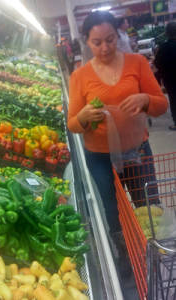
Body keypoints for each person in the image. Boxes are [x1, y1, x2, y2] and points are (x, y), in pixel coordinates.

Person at [68, 11, 168, 278]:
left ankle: (153, 252)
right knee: (112, 209)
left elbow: (161, 105)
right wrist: (84, 117)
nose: (104, 48)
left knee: (148, 205)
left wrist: (145, 99)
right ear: (86, 41)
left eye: (110, 39)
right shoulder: (80, 76)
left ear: (118, 35)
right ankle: (126, 254)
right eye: (97, 42)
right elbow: (72, 124)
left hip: (137, 151)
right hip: (100, 157)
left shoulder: (136, 63)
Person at [154, 22, 176, 130]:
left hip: (170, 79)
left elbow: (157, 63)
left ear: (167, 33)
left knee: (173, 99)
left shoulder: (164, 47)